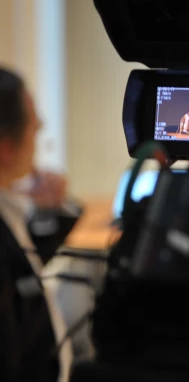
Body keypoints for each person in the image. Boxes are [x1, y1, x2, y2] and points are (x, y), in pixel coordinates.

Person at [0, 67, 76, 381]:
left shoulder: (11, 209)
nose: (41, 126)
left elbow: (22, 270)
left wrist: (50, 210)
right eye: (34, 123)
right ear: (6, 147)